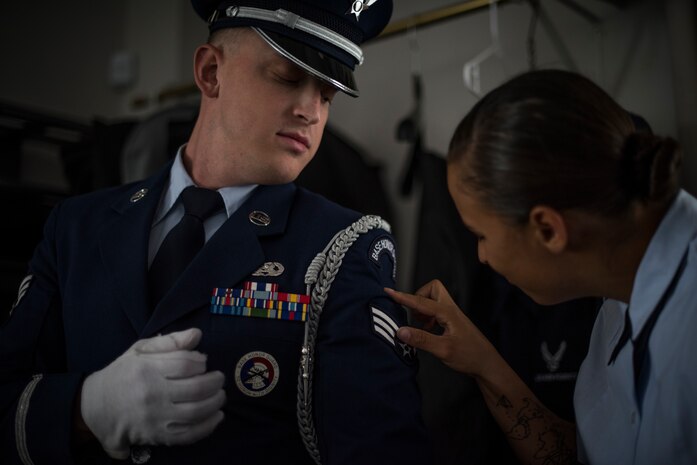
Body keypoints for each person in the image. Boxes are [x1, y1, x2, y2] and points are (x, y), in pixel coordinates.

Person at [0, 1, 432, 464]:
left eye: (327, 95)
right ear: (210, 72)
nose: (310, 110)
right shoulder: (77, 227)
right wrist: (85, 408)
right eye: (287, 76)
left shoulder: (343, 248)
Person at [386, 69, 697, 465]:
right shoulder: (619, 300)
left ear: (548, 229)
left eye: (480, 233)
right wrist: (482, 359)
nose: (480, 256)